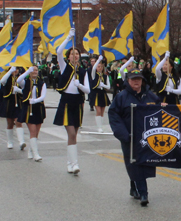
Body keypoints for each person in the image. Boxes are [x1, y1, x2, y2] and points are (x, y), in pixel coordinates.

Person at [108, 69, 163, 207]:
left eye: (138, 79)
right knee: (133, 163)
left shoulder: (150, 96)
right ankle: (144, 193)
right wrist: (123, 134)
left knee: (143, 163)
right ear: (128, 81)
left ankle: (134, 187)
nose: (136, 81)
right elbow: (114, 115)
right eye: (133, 79)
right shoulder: (121, 97)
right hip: (129, 137)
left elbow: (159, 111)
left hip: (146, 137)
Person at [53, 28, 90, 175]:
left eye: (77, 54)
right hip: (67, 102)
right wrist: (69, 37)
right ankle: (74, 164)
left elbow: (88, 90)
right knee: (72, 134)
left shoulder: (82, 71)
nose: (75, 56)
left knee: (74, 134)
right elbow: (58, 52)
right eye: (73, 54)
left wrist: (79, 85)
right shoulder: (64, 67)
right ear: (69, 57)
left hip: (78, 102)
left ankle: (70, 163)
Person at [17, 66, 46, 161]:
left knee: (36, 132)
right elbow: (18, 80)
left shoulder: (42, 83)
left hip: (38, 108)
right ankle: (36, 154)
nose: (35, 72)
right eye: (33, 70)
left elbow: (43, 96)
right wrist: (26, 72)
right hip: (28, 108)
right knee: (33, 131)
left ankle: (31, 150)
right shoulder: (25, 82)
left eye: (36, 70)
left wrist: (35, 100)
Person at [0, 66, 26, 149]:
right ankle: (10, 142)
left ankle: (21, 141)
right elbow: (2, 81)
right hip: (9, 102)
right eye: (15, 69)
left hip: (18, 102)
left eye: (17, 69)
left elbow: (24, 88)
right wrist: (10, 71)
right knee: (10, 123)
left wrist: (18, 90)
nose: (16, 71)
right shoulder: (7, 78)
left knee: (18, 121)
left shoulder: (19, 78)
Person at [90, 55, 111, 133]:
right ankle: (99, 127)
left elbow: (108, 86)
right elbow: (93, 69)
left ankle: (101, 126)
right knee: (98, 111)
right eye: (98, 66)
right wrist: (98, 60)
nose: (99, 68)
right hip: (96, 93)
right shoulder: (94, 75)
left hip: (103, 93)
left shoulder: (105, 76)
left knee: (102, 111)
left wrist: (104, 85)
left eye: (101, 67)